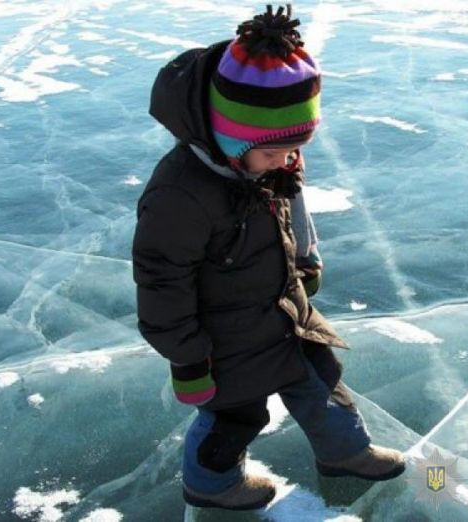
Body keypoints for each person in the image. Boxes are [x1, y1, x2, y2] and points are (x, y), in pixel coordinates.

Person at [131, 3, 405, 512]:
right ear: (231, 139)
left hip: (283, 311)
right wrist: (190, 358)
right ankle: (210, 484)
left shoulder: (267, 163)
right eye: (274, 153)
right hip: (225, 340)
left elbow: (292, 212)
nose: (288, 161)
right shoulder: (180, 196)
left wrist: (306, 261)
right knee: (237, 416)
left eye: (295, 148)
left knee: (321, 379)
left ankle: (347, 452)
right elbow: (160, 282)